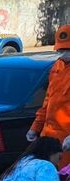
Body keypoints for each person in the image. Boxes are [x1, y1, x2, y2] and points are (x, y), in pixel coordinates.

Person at [29, 25, 70, 167]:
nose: (64, 53)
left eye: (68, 49)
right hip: (49, 139)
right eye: (61, 50)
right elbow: (47, 101)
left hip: (66, 142)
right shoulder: (57, 67)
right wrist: (35, 127)